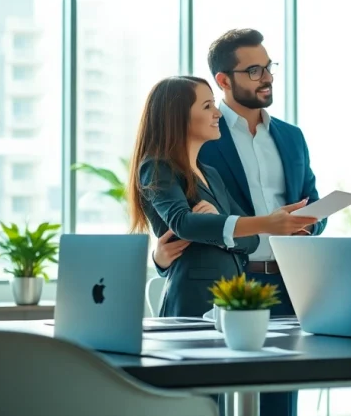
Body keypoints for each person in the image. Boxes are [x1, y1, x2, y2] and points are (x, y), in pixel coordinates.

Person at [153, 29, 322, 416]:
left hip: (286, 280)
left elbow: (309, 202)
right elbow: (179, 215)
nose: (267, 77)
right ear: (224, 80)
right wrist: (160, 257)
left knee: (280, 400)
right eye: (254, 70)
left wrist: (309, 225)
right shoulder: (201, 134)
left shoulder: (291, 137)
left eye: (269, 67)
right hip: (230, 278)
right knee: (211, 398)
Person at [125, 75, 317, 319]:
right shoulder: (157, 166)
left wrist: (216, 224)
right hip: (193, 302)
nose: (217, 113)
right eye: (207, 106)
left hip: (231, 304)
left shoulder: (211, 175)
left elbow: (251, 241)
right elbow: (184, 223)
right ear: (178, 117)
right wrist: (261, 223)